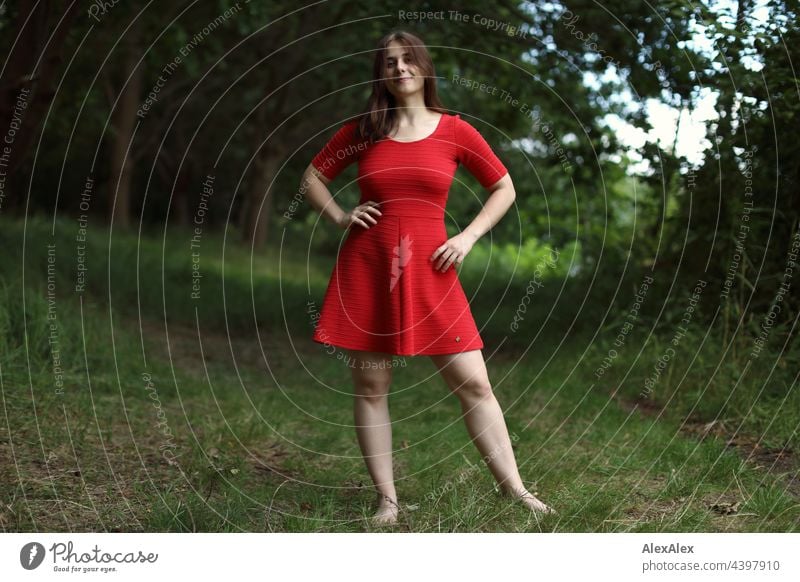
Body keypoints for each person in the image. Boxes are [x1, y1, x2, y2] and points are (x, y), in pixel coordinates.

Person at [301, 29, 555, 525]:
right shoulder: (366, 129)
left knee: (474, 383)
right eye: (389, 62)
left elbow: (503, 187)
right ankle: (388, 501)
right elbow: (312, 177)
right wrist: (338, 216)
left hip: (433, 270)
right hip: (370, 266)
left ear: (423, 66)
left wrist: (468, 237)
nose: (399, 69)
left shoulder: (456, 130)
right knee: (372, 386)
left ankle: (517, 491)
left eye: (407, 60)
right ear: (382, 73)